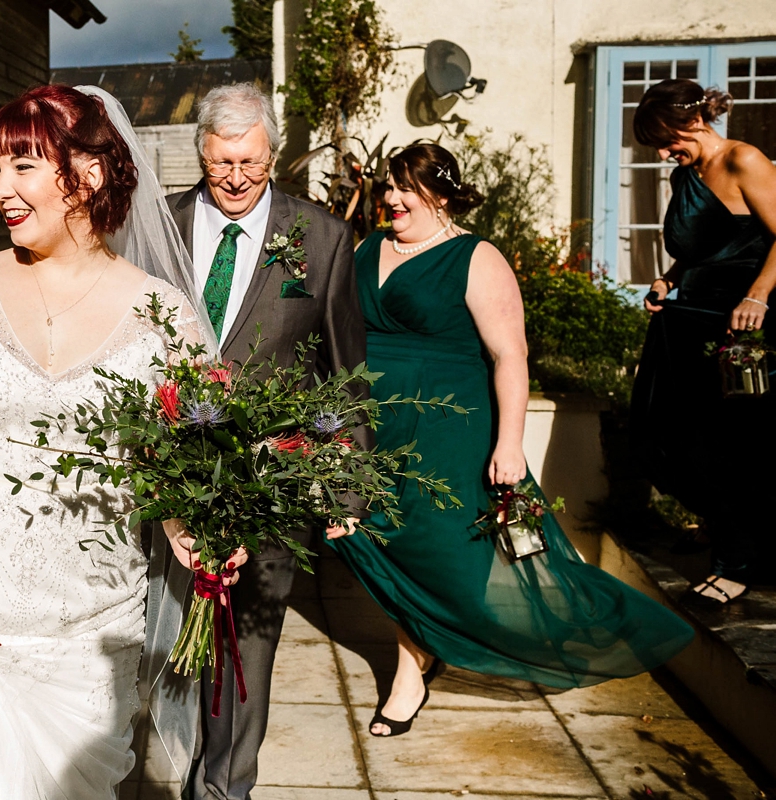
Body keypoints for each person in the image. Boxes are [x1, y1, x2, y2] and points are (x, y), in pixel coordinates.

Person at [0, 85, 246, 799]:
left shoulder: (164, 316)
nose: (1, 189)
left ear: (89, 174)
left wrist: (199, 526)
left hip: (88, 627)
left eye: (23, 167)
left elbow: (178, 466)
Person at [328, 142, 695, 738]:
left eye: (405, 188)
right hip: (375, 426)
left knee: (435, 549)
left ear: (441, 194)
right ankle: (418, 652)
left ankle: (410, 669)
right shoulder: (370, 246)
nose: (391, 199)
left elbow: (509, 355)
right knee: (381, 543)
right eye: (388, 186)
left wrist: (509, 442)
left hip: (449, 430)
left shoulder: (476, 257)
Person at [165, 82, 368, 800]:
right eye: (222, 163)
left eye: (251, 163)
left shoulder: (322, 237)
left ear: (274, 154)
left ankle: (226, 790)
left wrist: (346, 480)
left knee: (247, 645)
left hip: (269, 482)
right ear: (202, 153)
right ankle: (168, 770)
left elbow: (343, 371)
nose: (237, 178)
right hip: (168, 477)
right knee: (168, 641)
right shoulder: (157, 227)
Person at [630, 79, 776, 604]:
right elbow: (699, 248)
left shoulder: (744, 160)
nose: (666, 152)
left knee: (731, 445)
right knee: (662, 436)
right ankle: (730, 529)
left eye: (667, 139)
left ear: (692, 121)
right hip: (684, 320)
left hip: (736, 328)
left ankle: (738, 561)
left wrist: (757, 297)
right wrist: (667, 280)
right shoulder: (683, 174)